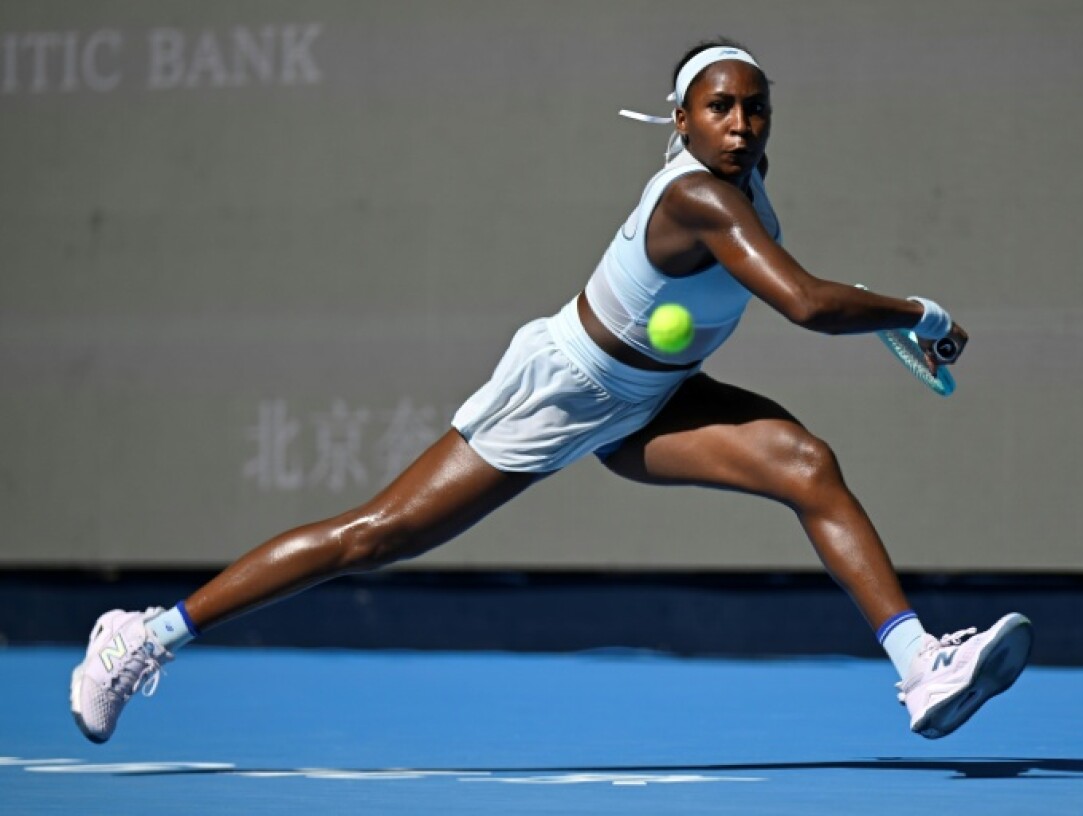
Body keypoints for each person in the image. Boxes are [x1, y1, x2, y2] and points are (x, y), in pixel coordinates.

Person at [70, 39, 1031, 745]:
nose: (739, 125)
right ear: (681, 119)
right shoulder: (699, 195)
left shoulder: (747, 176)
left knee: (806, 466)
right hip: (564, 387)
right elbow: (810, 307)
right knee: (375, 537)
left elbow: (799, 297)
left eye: (754, 108)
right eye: (718, 108)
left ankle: (921, 668)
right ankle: (144, 635)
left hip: (653, 398)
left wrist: (897, 316)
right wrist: (919, 309)